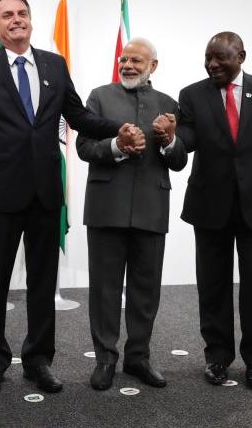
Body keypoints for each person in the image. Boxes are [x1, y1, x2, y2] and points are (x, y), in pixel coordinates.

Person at [0, 0, 145, 398]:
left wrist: (118, 128)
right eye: (7, 15)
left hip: (45, 192)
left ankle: (38, 360)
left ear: (31, 20)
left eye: (22, 13)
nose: (16, 20)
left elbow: (78, 115)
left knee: (43, 282)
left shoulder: (54, 65)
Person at [177, 32, 252, 389]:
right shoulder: (191, 94)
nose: (212, 64)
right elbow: (188, 139)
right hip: (208, 204)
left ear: (241, 56)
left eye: (220, 58)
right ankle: (217, 357)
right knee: (212, 285)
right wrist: (171, 138)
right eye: (208, 58)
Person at [76, 38, 187, 390]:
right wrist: (116, 145)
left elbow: (179, 160)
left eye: (136, 61)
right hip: (106, 207)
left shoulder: (169, 104)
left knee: (146, 290)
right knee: (104, 289)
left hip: (151, 208)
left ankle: (138, 358)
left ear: (153, 66)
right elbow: (83, 147)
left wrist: (170, 140)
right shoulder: (99, 97)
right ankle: (105, 359)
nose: (127, 65)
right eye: (124, 59)